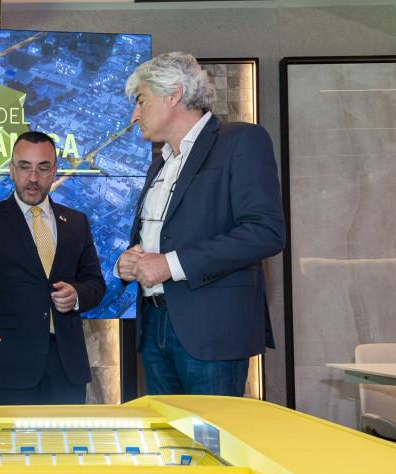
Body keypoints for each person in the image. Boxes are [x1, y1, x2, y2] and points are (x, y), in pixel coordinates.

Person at [117, 52, 285, 397]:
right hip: (154, 326)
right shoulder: (159, 163)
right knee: (168, 431)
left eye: (141, 101)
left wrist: (170, 264)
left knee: (210, 431)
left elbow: (265, 232)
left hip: (212, 330)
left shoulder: (241, 141)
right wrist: (131, 260)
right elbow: (165, 235)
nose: (135, 115)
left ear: (173, 95)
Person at [0, 131, 106, 405]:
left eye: (43, 168)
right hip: (8, 365)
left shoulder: (77, 222)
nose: (33, 178)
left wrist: (77, 295)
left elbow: (95, 283)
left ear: (54, 171)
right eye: (24, 167)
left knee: (67, 435)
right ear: (11, 169)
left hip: (67, 367)